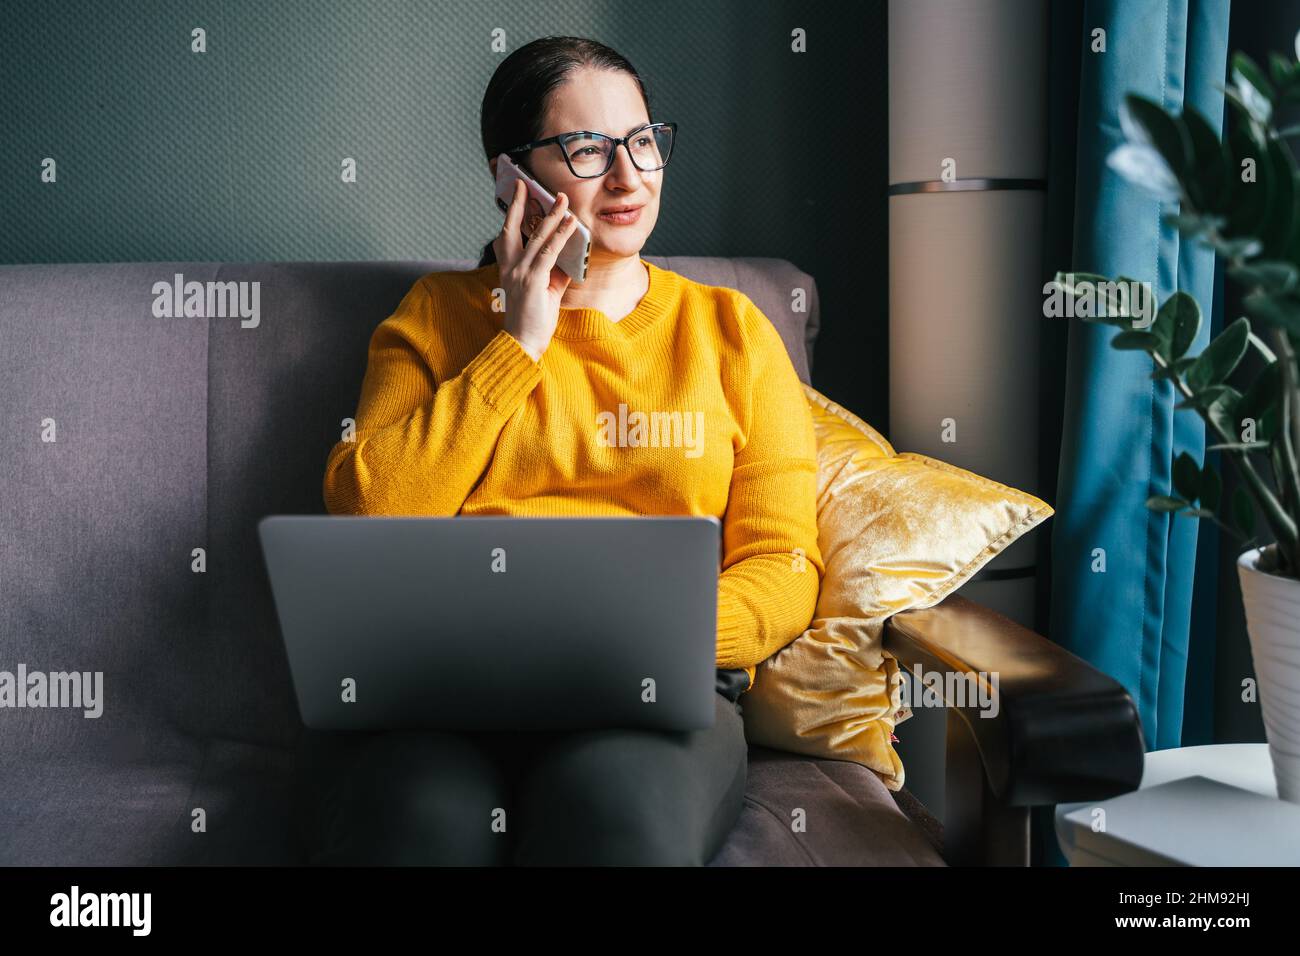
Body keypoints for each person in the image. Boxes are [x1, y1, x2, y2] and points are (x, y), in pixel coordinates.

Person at [293, 34, 824, 866]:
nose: (628, 176)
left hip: (654, 692)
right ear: (514, 176)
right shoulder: (436, 314)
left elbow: (785, 565)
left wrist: (644, 633)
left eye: (643, 142)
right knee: (421, 829)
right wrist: (520, 344)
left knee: (613, 823)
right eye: (588, 148)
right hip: (447, 690)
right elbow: (369, 508)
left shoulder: (731, 333)